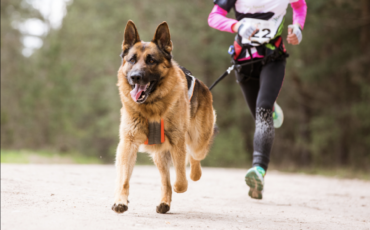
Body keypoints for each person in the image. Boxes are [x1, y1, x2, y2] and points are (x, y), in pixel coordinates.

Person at [208, 0, 307, 199]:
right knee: (260, 115)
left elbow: (300, 5)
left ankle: (258, 170)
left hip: (273, 58)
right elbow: (213, 17)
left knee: (262, 111)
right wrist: (237, 26)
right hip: (243, 62)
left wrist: (298, 27)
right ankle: (271, 108)